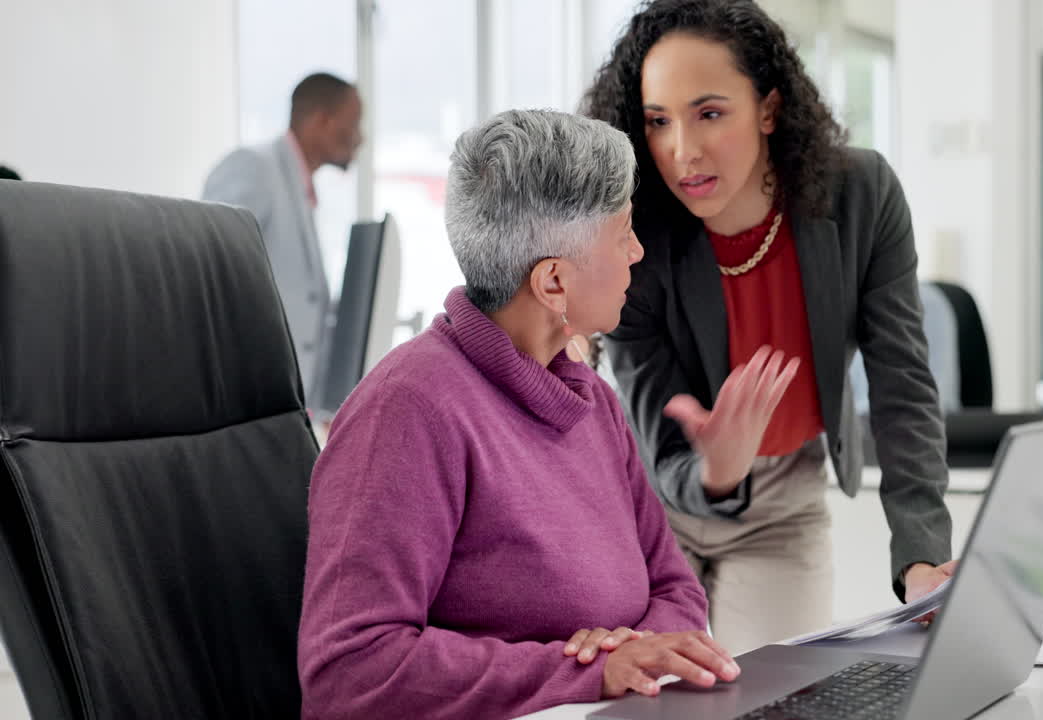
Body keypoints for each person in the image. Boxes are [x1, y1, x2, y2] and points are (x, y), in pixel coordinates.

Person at [297, 109, 750, 720]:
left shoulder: (592, 402)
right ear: (554, 283)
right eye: (623, 234)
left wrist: (633, 652)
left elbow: (674, 586)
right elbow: (351, 670)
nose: (638, 252)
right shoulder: (407, 411)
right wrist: (580, 671)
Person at [582, 0, 955, 654]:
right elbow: (663, 445)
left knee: (782, 698)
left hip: (782, 509)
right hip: (649, 508)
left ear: (769, 109)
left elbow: (903, 388)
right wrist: (718, 469)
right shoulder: (631, 234)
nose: (682, 151)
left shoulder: (861, 195)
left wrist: (922, 556)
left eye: (710, 113)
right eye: (658, 122)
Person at [202, 72, 363, 400]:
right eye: (354, 123)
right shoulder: (254, 167)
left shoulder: (297, 184)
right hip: (247, 393)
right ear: (322, 121)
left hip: (287, 397)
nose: (359, 138)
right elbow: (210, 268)